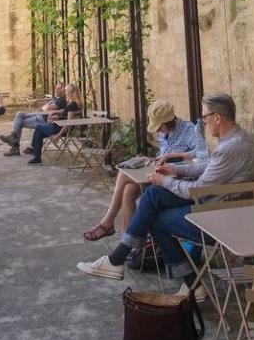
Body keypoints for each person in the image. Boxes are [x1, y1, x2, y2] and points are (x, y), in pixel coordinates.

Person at [77, 93, 254, 299]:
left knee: (154, 214)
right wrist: (175, 170)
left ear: (217, 117)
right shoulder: (238, 139)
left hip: (221, 220)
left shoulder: (230, 148)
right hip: (225, 208)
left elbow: (196, 190)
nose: (204, 123)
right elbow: (207, 167)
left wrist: (164, 181)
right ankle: (121, 259)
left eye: (205, 117)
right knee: (154, 196)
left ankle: (186, 282)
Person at [82, 100, 207, 242]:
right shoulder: (164, 133)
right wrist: (150, 159)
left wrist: (171, 156)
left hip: (177, 178)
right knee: (128, 189)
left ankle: (108, 223)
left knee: (123, 174)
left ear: (168, 121)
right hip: (160, 172)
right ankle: (128, 244)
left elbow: (201, 155)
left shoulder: (189, 130)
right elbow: (162, 156)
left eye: (159, 126)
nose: (158, 131)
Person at [0, 81, 67, 156]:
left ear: (63, 90)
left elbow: (47, 108)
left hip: (42, 120)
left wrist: (46, 106)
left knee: (19, 122)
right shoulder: (56, 98)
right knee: (19, 114)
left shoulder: (62, 100)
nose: (56, 90)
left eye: (59, 88)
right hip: (39, 115)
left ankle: (14, 147)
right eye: (56, 88)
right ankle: (13, 136)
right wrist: (46, 106)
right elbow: (45, 107)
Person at [26, 83, 83, 165]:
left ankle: (39, 153)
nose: (65, 92)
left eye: (66, 91)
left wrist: (58, 135)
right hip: (58, 126)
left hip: (60, 129)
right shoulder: (75, 104)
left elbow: (68, 122)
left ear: (70, 93)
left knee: (38, 126)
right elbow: (66, 117)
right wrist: (56, 117)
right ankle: (37, 157)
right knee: (39, 132)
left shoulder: (72, 105)